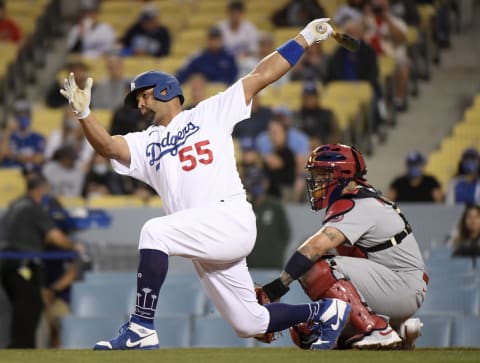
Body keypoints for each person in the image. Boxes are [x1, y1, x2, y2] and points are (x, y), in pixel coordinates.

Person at [59, 18, 353, 351]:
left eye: (141, 96)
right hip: (204, 237)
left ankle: (141, 326)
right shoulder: (145, 142)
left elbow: (259, 77)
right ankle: (326, 311)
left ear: (165, 90)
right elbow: (109, 146)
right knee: (249, 322)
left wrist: (304, 38)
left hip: (228, 218)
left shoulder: (208, 112)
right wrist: (84, 115)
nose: (138, 104)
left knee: (154, 231)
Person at [260, 144, 428, 350]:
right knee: (307, 331)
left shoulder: (357, 204)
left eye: (322, 174)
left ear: (343, 175)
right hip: (395, 284)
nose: (315, 181)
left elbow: (313, 249)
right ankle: (399, 331)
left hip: (400, 285)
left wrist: (277, 287)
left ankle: (376, 329)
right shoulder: (362, 197)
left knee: (315, 267)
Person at [0, 174, 82, 348]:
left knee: (22, 308)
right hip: (24, 264)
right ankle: (21, 349)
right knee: (30, 309)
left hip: (7, 263)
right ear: (40, 190)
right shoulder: (33, 208)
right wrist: (75, 247)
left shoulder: (15, 205)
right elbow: (56, 237)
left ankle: (19, 348)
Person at [363, 0, 410, 111]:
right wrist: (364, 18)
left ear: (387, 7)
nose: (378, 10)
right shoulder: (366, 21)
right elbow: (352, 36)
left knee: (403, 66)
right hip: (370, 56)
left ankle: (398, 99)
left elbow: (401, 39)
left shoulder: (396, 22)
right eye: (376, 7)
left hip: (390, 55)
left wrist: (387, 20)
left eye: (381, 7)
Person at [243, 165, 291, 269]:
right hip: (250, 266)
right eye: (253, 183)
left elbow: (286, 234)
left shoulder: (276, 206)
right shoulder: (244, 208)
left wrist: (276, 253)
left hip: (273, 264)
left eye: (258, 183)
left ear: (266, 183)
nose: (256, 186)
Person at [0, 100, 46, 172]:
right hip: (8, 173)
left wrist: (12, 155)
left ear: (30, 116)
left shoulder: (38, 138)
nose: (23, 116)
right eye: (19, 114)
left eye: (26, 114)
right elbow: (1, 156)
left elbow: (38, 159)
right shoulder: (7, 136)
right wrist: (8, 131)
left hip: (28, 174)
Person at [449, 204, 480, 268]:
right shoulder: (457, 243)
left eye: (476, 217)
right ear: (464, 220)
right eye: (469, 217)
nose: (473, 220)